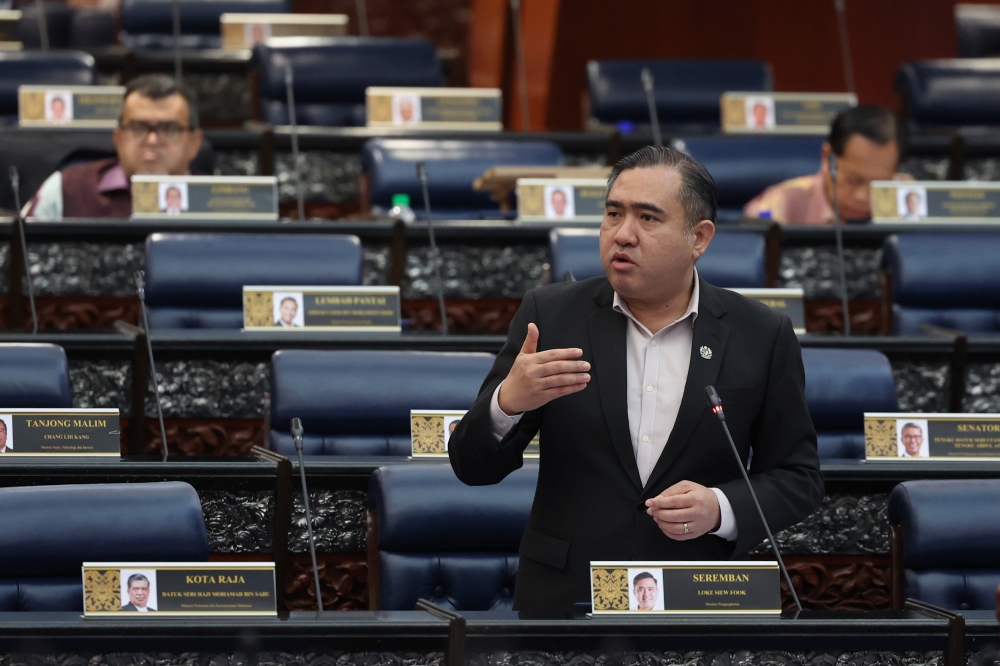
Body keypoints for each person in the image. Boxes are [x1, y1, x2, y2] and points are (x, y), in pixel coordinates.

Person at [449, 145, 823, 619]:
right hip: (566, 600)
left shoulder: (761, 334)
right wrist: (508, 403)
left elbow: (799, 477)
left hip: (697, 598)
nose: (622, 234)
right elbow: (471, 465)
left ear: (699, 238)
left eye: (648, 218)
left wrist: (720, 506)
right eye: (613, 213)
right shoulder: (552, 316)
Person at [27, 74, 204, 220]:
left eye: (169, 129)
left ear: (194, 143)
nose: (152, 140)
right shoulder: (65, 188)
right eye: (138, 127)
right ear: (118, 138)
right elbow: (19, 255)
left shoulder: (216, 200)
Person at [743, 105, 904, 225]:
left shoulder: (912, 197)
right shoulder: (781, 204)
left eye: (879, 185)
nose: (862, 197)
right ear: (828, 156)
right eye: (853, 180)